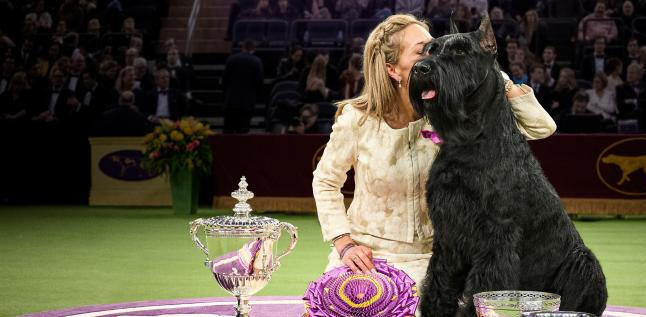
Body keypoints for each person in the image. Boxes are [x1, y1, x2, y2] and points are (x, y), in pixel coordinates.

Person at [312, 14, 556, 291]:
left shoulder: (458, 109)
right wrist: (344, 244)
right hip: (366, 257)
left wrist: (497, 78)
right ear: (394, 70)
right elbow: (326, 181)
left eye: (435, 47)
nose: (438, 56)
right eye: (424, 51)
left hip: (437, 257)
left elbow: (541, 128)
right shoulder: (356, 119)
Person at [222, 40, 263, 133]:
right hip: (247, 102)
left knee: (228, 131)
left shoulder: (231, 59)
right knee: (243, 132)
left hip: (231, 101)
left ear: (242, 48)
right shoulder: (257, 61)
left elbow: (224, 80)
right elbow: (259, 82)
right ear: (253, 49)